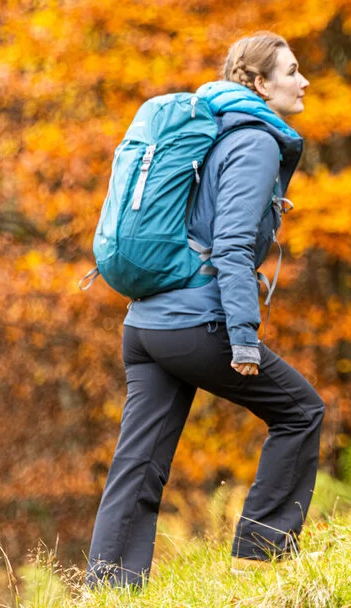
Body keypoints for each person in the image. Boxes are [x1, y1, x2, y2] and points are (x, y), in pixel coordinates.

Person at [84, 31, 323, 589]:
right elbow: (234, 245)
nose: (303, 80)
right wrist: (243, 336)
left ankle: (108, 590)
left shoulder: (208, 128)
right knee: (301, 411)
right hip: (196, 323)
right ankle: (258, 560)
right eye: (291, 72)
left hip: (145, 324)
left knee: (138, 461)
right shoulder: (254, 141)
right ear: (260, 84)